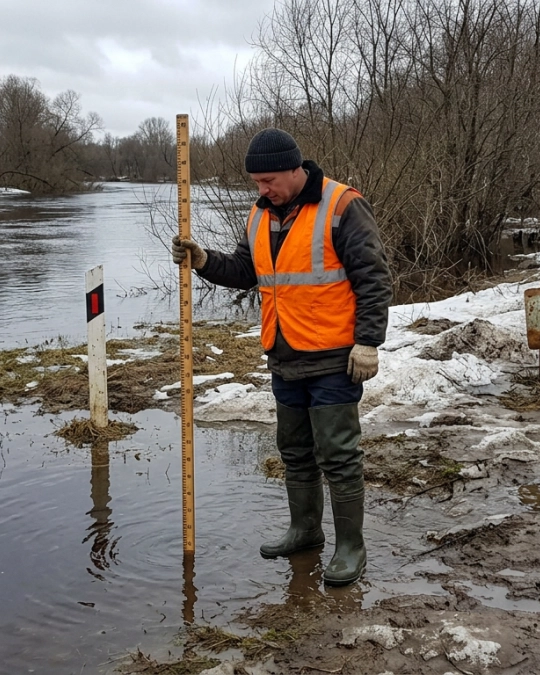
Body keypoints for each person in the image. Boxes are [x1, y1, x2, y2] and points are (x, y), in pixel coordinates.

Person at [171, 128, 392, 586]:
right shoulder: (259, 215)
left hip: (334, 358)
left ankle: (351, 547)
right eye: (256, 182)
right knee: (294, 451)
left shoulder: (342, 205)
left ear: (295, 170)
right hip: (284, 354)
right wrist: (204, 260)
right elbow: (245, 271)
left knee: (338, 455)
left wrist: (369, 341)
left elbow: (373, 277)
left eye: (269, 181)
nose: (262, 189)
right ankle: (305, 531)